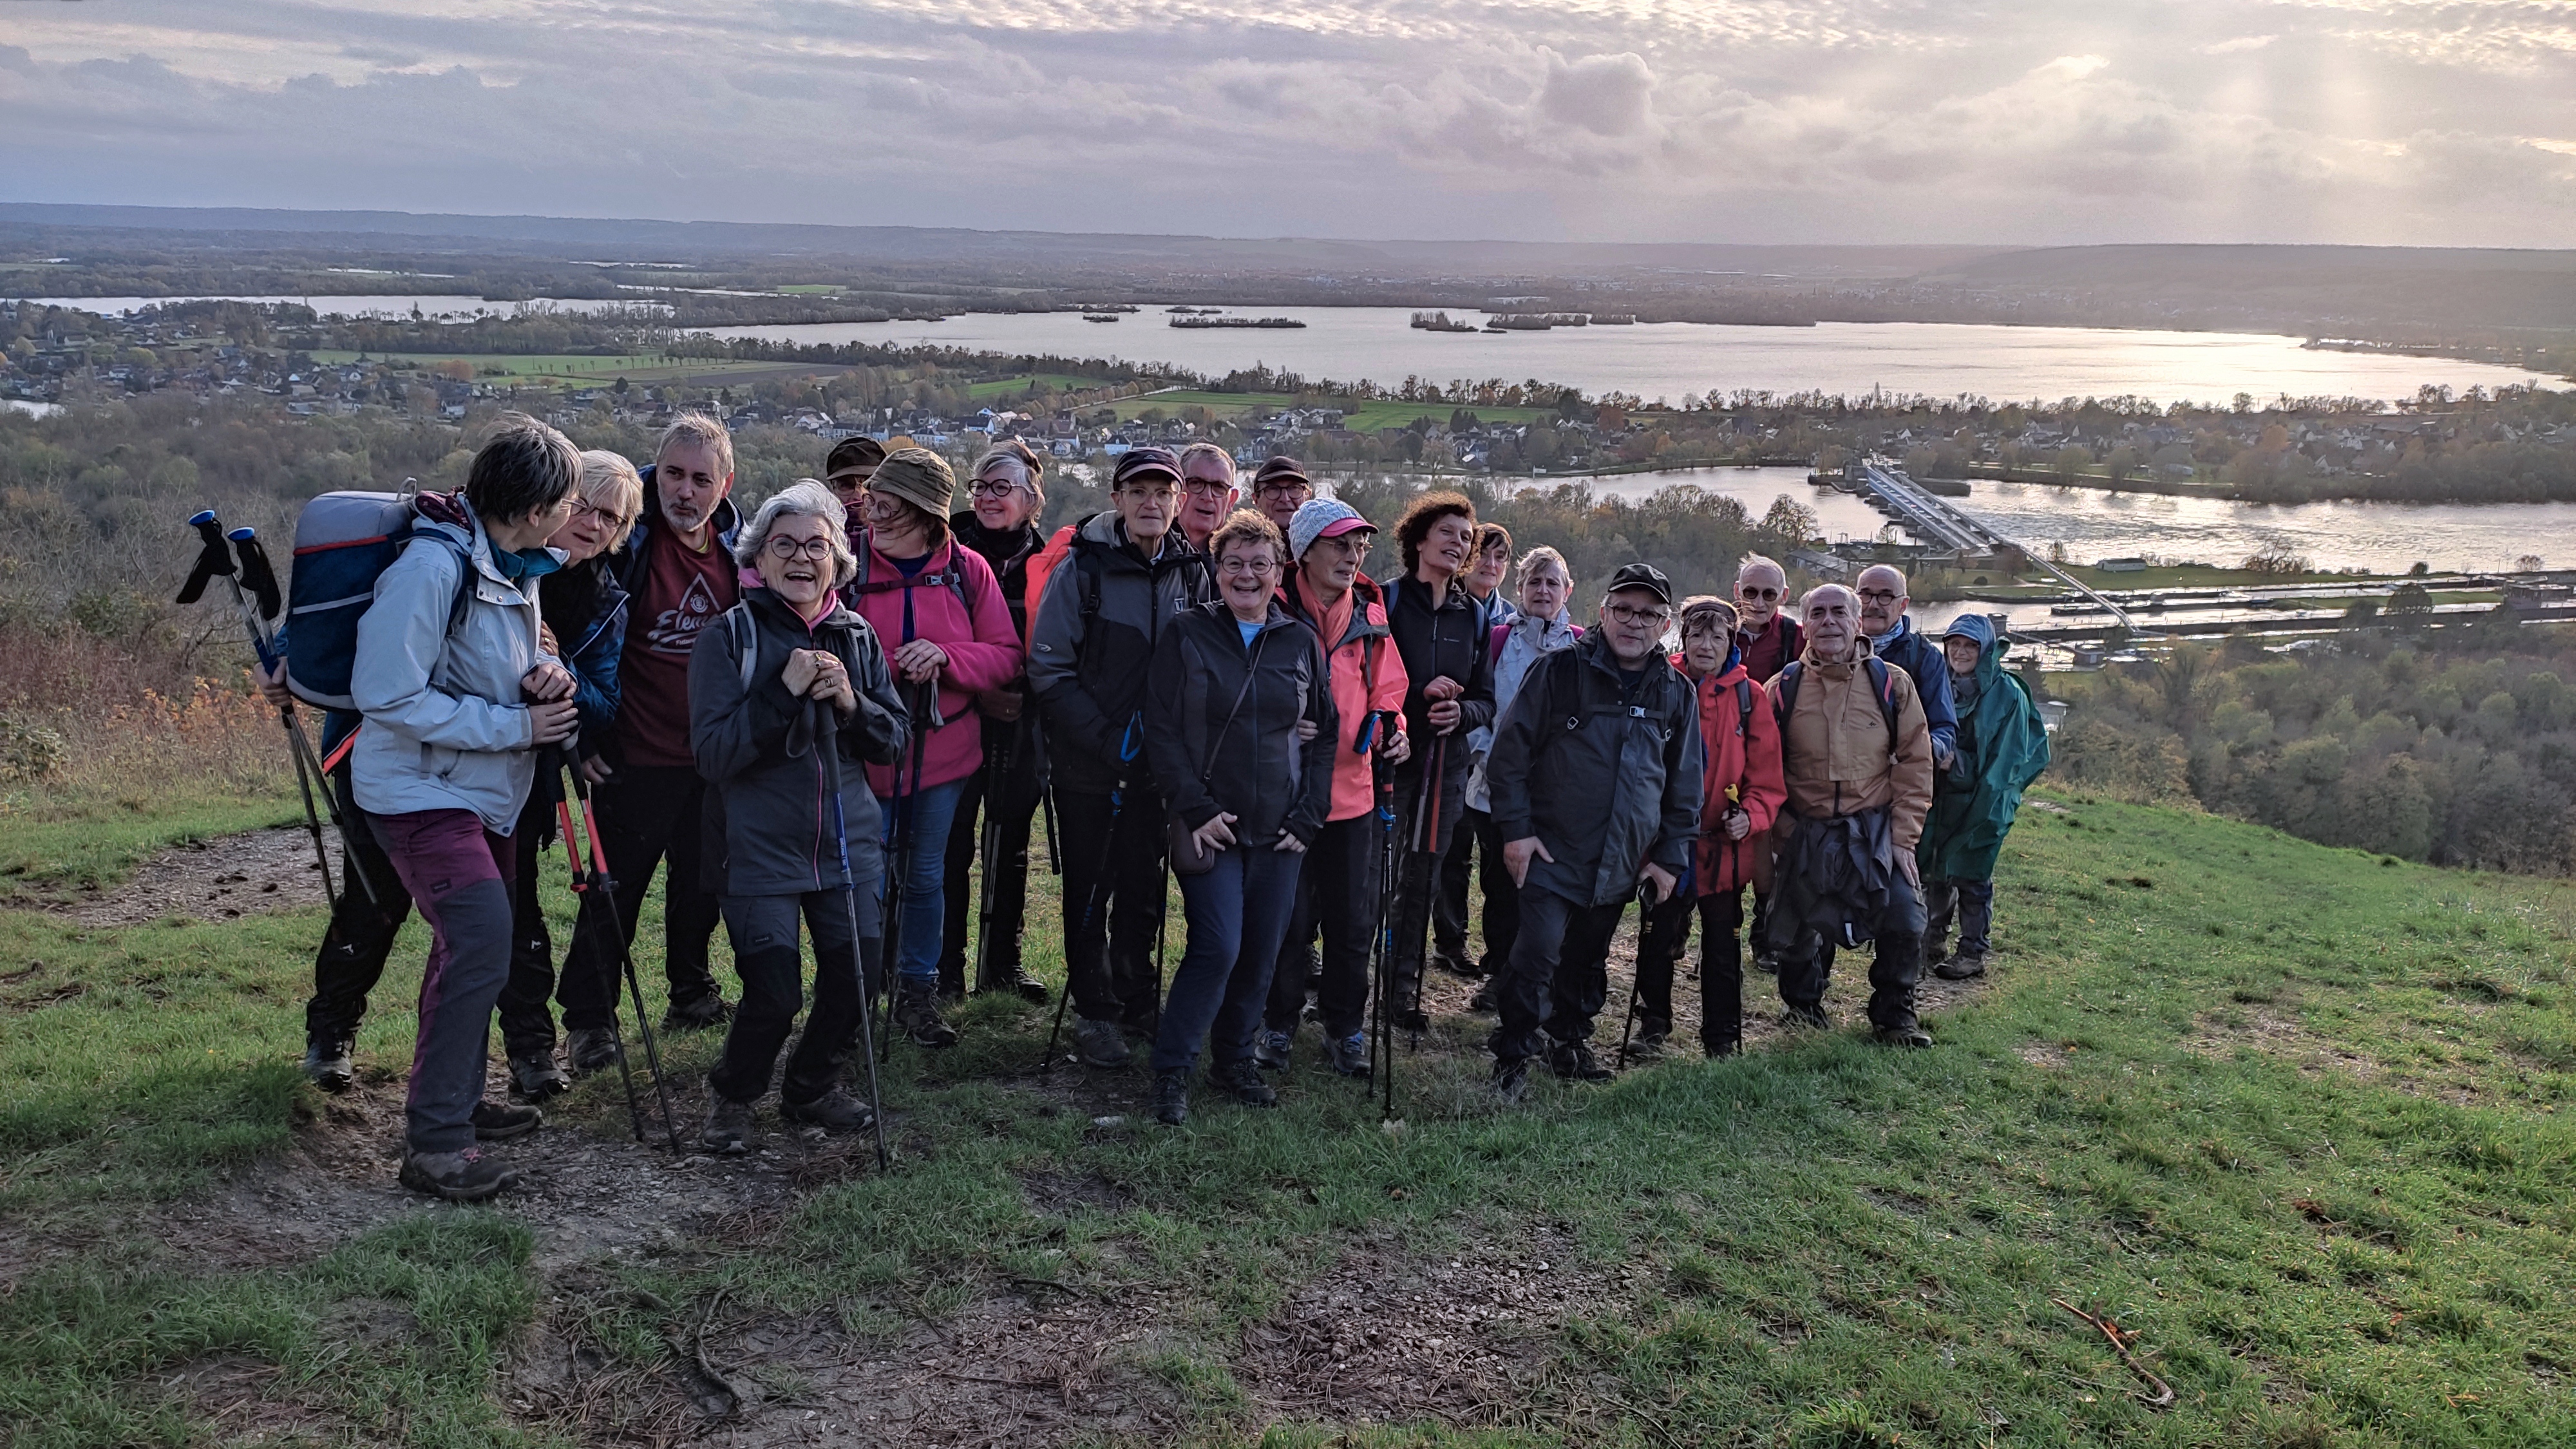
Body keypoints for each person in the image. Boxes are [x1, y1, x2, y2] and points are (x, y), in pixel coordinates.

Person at [349, 413, 582, 1201]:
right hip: (418, 790)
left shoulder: (513, 564)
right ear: (531, 506)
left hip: (478, 788)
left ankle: (449, 1100)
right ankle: (436, 1147)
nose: (575, 514)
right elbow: (384, 693)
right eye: (568, 500)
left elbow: (493, 662)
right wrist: (517, 725)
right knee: (481, 938)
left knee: (473, 945)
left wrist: (544, 673)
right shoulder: (431, 568)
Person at [690, 481, 911, 1152]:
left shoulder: (857, 636)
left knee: (857, 981)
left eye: (816, 545)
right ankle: (733, 1096)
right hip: (756, 849)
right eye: (783, 545)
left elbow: (893, 742)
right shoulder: (728, 637)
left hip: (848, 847)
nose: (801, 558)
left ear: (838, 560)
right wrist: (781, 696)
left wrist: (853, 704)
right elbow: (713, 754)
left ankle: (811, 1087)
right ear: (757, 557)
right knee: (775, 995)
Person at [1142, 511, 1336, 1125]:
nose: (1246, 575)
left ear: (1279, 571)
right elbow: (1162, 728)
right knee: (1219, 946)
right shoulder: (1187, 633)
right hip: (1211, 823)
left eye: (1260, 563)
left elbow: (1325, 735)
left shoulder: (1301, 641)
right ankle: (1173, 1068)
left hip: (1281, 828)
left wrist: (1310, 816)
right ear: (1216, 570)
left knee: (1261, 951)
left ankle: (1234, 1059)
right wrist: (1193, 809)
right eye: (1234, 563)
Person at [1486, 563, 1702, 1097]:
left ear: (1665, 625)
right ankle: (1513, 1054)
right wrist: (1516, 831)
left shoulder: (1677, 693)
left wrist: (1670, 855)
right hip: (1551, 852)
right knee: (1535, 955)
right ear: (1602, 612)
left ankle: (1569, 1042)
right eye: (1624, 610)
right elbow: (1509, 757)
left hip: (1622, 860)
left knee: (1587, 959)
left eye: (1649, 614)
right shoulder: (1559, 672)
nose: (1634, 622)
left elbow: (1685, 786)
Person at [1028, 447, 1213, 1066]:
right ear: (1117, 499)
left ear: (1179, 500)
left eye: (1164, 491)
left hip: (1159, 770)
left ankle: (1136, 1001)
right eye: (1139, 491)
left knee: (1143, 890)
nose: (1152, 502)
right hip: (1089, 768)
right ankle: (1095, 1012)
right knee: (1090, 890)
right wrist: (1108, 741)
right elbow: (1049, 670)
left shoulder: (1195, 572)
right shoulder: (1082, 569)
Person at [564, 412, 741, 1034]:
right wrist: (579, 737)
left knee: (702, 891)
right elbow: (567, 642)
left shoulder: (740, 555)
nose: (684, 492)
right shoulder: (624, 543)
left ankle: (691, 995)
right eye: (672, 474)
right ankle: (590, 1023)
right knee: (614, 894)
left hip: (712, 760)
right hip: (633, 758)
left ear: (725, 483)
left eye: (700, 478)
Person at [839, 446, 1020, 1046]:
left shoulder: (967, 570)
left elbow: (1005, 655)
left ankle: (916, 991)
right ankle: (856, 993)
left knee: (923, 878)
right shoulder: (844, 568)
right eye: (874, 501)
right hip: (862, 757)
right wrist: (884, 666)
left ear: (926, 514)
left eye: (889, 503)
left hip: (941, 759)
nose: (874, 512)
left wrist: (947, 657)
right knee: (863, 878)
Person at [496, 450, 641, 1097]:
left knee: (520, 905)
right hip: (467, 756)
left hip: (537, 769)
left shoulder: (608, 600)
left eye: (609, 517)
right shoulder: (500, 563)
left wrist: (563, 669)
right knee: (491, 910)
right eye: (582, 505)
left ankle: (531, 1053)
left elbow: (606, 704)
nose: (591, 524)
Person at [1258, 498, 1410, 1075]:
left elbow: (1389, 690)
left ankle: (1345, 1028)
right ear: (1304, 550)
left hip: (1353, 797)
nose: (1353, 556)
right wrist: (1275, 722)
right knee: (1287, 922)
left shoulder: (1371, 619)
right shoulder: (1266, 610)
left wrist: (1394, 729)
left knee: (1352, 922)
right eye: (1339, 544)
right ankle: (1277, 1024)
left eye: (1360, 546)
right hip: (1281, 795)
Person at [1763, 584, 1936, 1047]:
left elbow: (1917, 764)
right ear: (1805, 626)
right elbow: (1763, 769)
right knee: (1798, 926)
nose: (1828, 622)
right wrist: (1785, 835)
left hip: (1874, 830)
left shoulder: (1891, 684)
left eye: (1839, 611)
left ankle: (1894, 1016)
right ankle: (1803, 1008)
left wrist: (1903, 839)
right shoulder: (1781, 690)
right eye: (1816, 613)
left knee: (1905, 918)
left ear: (1858, 622)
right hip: (1805, 827)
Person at [1631, 597, 1785, 1057]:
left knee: (1722, 946)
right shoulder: (1660, 683)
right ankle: (1653, 1027)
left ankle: (1721, 1036)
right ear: (1682, 636)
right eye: (1697, 634)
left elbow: (1767, 776)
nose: (1706, 644)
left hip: (1725, 849)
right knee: (1657, 939)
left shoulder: (1749, 695)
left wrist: (1751, 817)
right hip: (1667, 845)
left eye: (1718, 636)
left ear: (1731, 643)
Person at [938, 439, 1052, 1002]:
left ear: (1031, 499)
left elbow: (1057, 643)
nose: (986, 496)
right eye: (981, 486)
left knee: (1009, 843)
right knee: (952, 842)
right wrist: (980, 690)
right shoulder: (947, 547)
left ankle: (1001, 963)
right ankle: (945, 968)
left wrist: (1024, 693)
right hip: (956, 717)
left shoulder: (1051, 562)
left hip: (1023, 723)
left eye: (1001, 487)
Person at [1379, 491, 1495, 1034]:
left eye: (1467, 538)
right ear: (1419, 538)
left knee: (1422, 878)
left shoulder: (1473, 614)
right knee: (1372, 878)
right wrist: (1420, 693)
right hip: (1387, 765)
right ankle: (1349, 980)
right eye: (1448, 532)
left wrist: (1462, 713)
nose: (1458, 543)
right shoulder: (1386, 601)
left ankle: (1400, 989)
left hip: (1446, 766)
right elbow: (1366, 682)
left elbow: (1486, 699)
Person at [1460, 547, 1581, 1010]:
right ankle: (1500, 974)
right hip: (1494, 792)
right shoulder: (1494, 642)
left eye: (1553, 583)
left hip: (1558, 799)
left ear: (1568, 591)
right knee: (1500, 888)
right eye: (1535, 582)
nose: (1544, 591)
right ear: (1520, 590)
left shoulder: (1581, 646)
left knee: (1549, 888)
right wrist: (1494, 764)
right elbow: (1480, 710)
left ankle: (1542, 978)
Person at [1917, 614, 2050, 981]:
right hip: (1942, 797)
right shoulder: (1938, 682)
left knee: (1973, 874)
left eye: (1971, 646)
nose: (1960, 652)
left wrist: (1954, 763)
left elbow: (2007, 761)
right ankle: (1932, 942)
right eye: (1954, 644)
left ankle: (1973, 951)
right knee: (1935, 867)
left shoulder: (2007, 695)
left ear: (1987, 650)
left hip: (1987, 799)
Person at [1431, 523, 1518, 980]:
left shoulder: (1512, 622)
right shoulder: (1448, 609)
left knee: (1494, 858)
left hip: (1496, 759)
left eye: (1500, 558)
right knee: (1451, 852)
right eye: (1483, 555)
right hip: (1455, 747)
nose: (1490, 565)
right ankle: (1451, 940)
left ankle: (1494, 950)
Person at [1855, 564, 1958, 768]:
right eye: (1865, 595)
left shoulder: (1925, 657)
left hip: (1898, 784)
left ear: (1903, 605)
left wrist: (1919, 756)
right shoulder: (1833, 649)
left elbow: (1944, 728)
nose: (1873, 605)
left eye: (1885, 597)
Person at [1733, 553, 1803, 684]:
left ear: (1784, 596)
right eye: (1750, 593)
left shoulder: (1800, 638)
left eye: (1769, 594)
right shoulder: (1716, 632)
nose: (1758, 603)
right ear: (1737, 591)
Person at [1175, 442, 1240, 554]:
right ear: (1177, 491)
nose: (1207, 497)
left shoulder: (1243, 560)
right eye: (1196, 483)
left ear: (1231, 500)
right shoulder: (1149, 550)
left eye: (1219, 487)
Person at [823, 435, 886, 525]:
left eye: (869, 484)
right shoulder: (820, 530)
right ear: (833, 489)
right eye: (845, 485)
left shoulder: (906, 531)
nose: (859, 496)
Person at [1249, 455, 1313, 533]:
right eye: (1273, 489)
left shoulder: (1326, 542)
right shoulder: (1240, 544)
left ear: (1308, 496)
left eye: (1294, 488)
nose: (1285, 499)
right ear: (1256, 499)